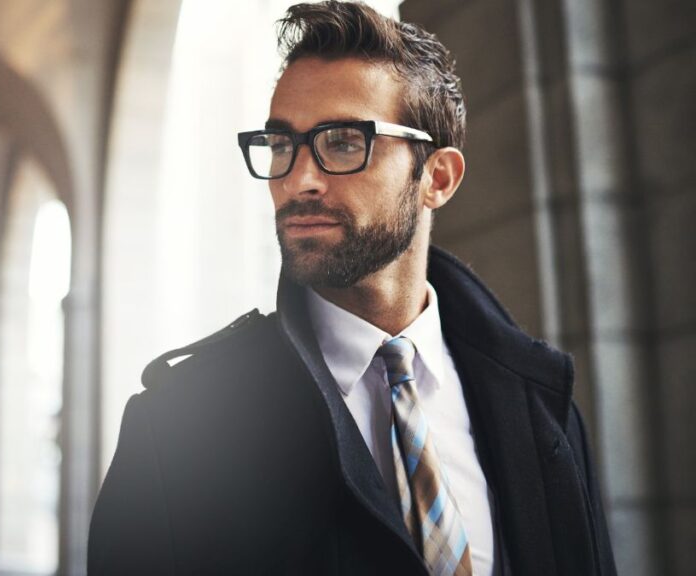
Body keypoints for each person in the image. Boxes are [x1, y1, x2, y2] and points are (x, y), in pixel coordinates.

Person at [88, 2, 617, 574]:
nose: (298, 179)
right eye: (282, 144)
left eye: (342, 143)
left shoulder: (541, 406)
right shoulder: (179, 426)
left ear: (437, 177)